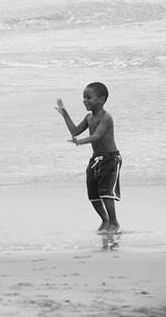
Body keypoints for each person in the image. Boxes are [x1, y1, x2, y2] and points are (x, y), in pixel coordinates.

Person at [56, 82, 121, 233]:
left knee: (106, 193)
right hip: (95, 159)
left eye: (88, 97)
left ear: (101, 99)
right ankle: (105, 221)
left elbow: (97, 136)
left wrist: (79, 142)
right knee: (93, 194)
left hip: (110, 159)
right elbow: (74, 130)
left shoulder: (106, 118)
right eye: (83, 97)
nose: (85, 100)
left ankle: (114, 223)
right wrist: (64, 113)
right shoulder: (89, 117)